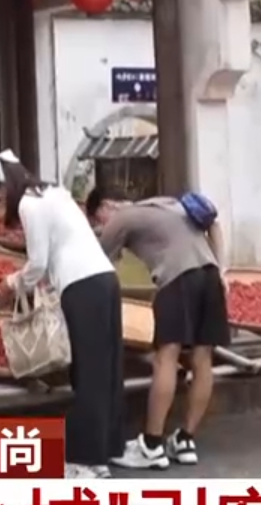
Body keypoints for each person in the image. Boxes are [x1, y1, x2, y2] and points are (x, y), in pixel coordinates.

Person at [0, 150, 130, 479]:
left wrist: (11, 284)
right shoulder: (55, 194)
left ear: (4, 186)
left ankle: (82, 460)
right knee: (106, 371)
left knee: (87, 374)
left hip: (82, 286)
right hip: (105, 281)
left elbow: (37, 262)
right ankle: (104, 453)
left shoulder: (28, 204)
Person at [88, 187, 228, 470]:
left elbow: (96, 262)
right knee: (202, 359)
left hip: (177, 280)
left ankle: (152, 445)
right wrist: (223, 269)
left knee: (167, 357)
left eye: (97, 218)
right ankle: (185, 440)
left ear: (105, 206)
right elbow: (214, 223)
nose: (102, 224)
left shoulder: (122, 217)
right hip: (211, 277)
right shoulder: (166, 203)